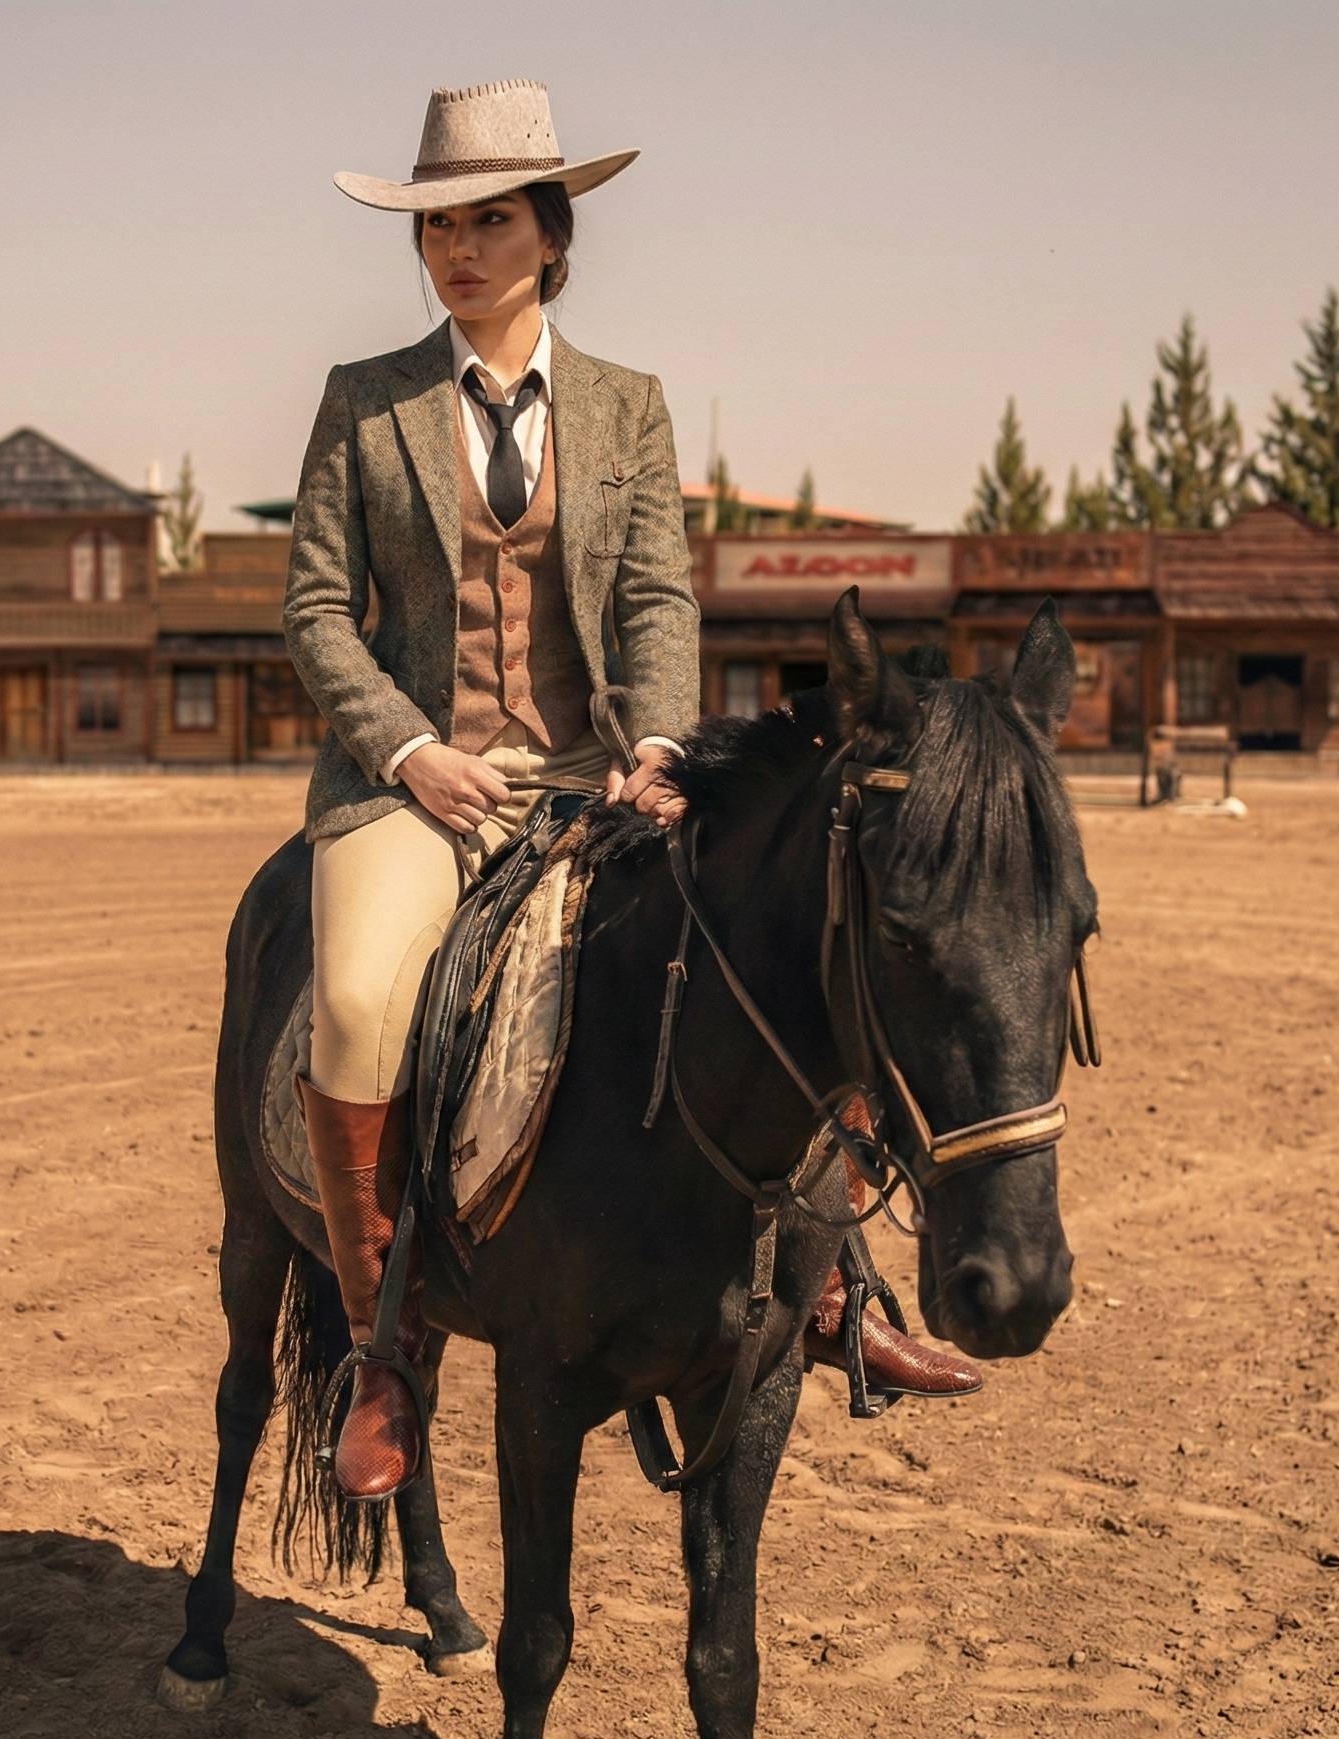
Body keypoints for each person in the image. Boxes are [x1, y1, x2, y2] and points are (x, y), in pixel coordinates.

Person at [284, 77, 978, 1504]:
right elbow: (315, 613)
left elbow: (657, 595)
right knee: (358, 1000)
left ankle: (842, 1288)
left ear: (550, 231)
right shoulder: (365, 403)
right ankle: (379, 1347)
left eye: (488, 220)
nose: (457, 249)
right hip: (417, 791)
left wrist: (661, 747)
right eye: (436, 227)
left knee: (787, 939)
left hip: (598, 778)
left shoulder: (628, 408)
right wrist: (409, 750)